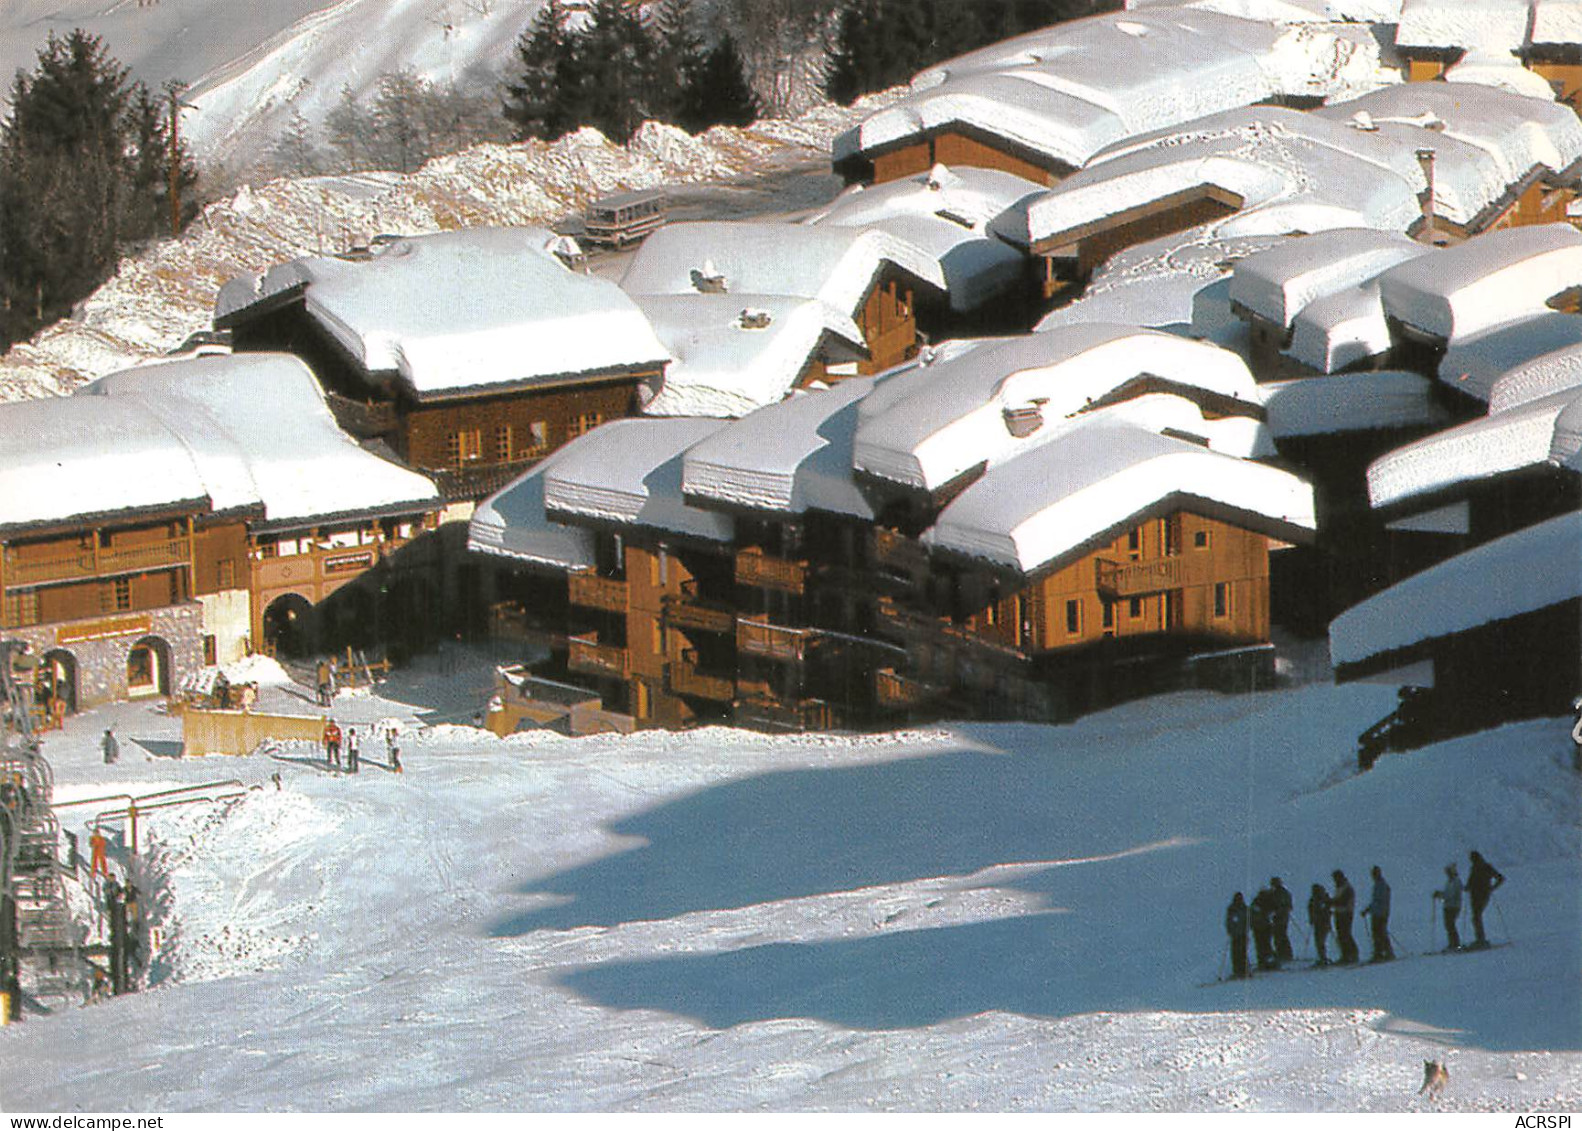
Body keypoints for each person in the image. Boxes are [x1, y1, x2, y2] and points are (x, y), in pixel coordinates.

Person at [1466, 850, 1504, 948]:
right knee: (1475, 917)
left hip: (1482, 895)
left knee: (1476, 917)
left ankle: (1481, 940)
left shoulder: (1486, 867)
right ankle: (1480, 939)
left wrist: (1492, 888)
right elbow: (1470, 882)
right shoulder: (1475, 868)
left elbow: (1500, 878)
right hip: (1475, 896)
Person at [1362, 865, 1394, 962]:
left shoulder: (1381, 885)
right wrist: (1369, 909)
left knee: (1380, 933)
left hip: (1381, 913)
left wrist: (1368, 909)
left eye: (1374, 874)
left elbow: (1379, 901)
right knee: (1377, 933)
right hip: (1377, 912)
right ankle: (1380, 952)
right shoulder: (1378, 885)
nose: (1373, 876)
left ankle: (1386, 952)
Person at [1433, 863, 1463, 951]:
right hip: (1448, 906)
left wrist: (1440, 895)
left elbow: (1451, 895)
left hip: (1454, 906)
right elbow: (1447, 893)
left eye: (1448, 872)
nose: (1447, 873)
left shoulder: (1456, 881)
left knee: (1450, 925)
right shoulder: (1449, 881)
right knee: (1448, 925)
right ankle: (1452, 943)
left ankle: (1456, 944)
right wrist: (1440, 894)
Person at [1331, 870, 1359, 964]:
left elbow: (1342, 901)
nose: (1335, 880)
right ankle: (1345, 955)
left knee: (1345, 934)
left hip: (1346, 913)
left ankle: (1352, 955)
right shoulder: (1339, 887)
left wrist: (1330, 902)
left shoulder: (1347, 888)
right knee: (1341, 935)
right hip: (1339, 913)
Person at [1249, 886, 1276, 970]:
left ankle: (1264, 962)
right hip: (1265, 926)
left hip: (1259, 927)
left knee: (1261, 946)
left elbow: (1252, 914)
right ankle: (1268, 962)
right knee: (1266, 945)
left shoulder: (1257, 902)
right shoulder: (1268, 900)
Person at [1269, 877, 1294, 964]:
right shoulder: (1281, 892)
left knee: (1279, 935)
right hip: (1281, 917)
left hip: (1281, 917)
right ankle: (1285, 954)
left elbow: (1283, 905)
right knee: (1280, 935)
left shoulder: (1279, 893)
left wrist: (1277, 911)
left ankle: (1284, 954)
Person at [1225, 892, 1249, 980]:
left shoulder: (1244, 908)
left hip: (1242, 934)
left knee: (1242, 952)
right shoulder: (1232, 909)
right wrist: (1230, 930)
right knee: (1236, 953)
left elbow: (1247, 921)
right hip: (1236, 935)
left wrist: (1246, 929)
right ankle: (1238, 971)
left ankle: (1244, 971)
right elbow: (1228, 921)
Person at [1308, 882, 1332, 966]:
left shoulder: (1323, 899)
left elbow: (1326, 911)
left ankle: (1323, 958)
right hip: (1318, 923)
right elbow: (1311, 910)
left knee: (1320, 941)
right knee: (1318, 941)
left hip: (1323, 922)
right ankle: (1322, 957)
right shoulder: (1314, 900)